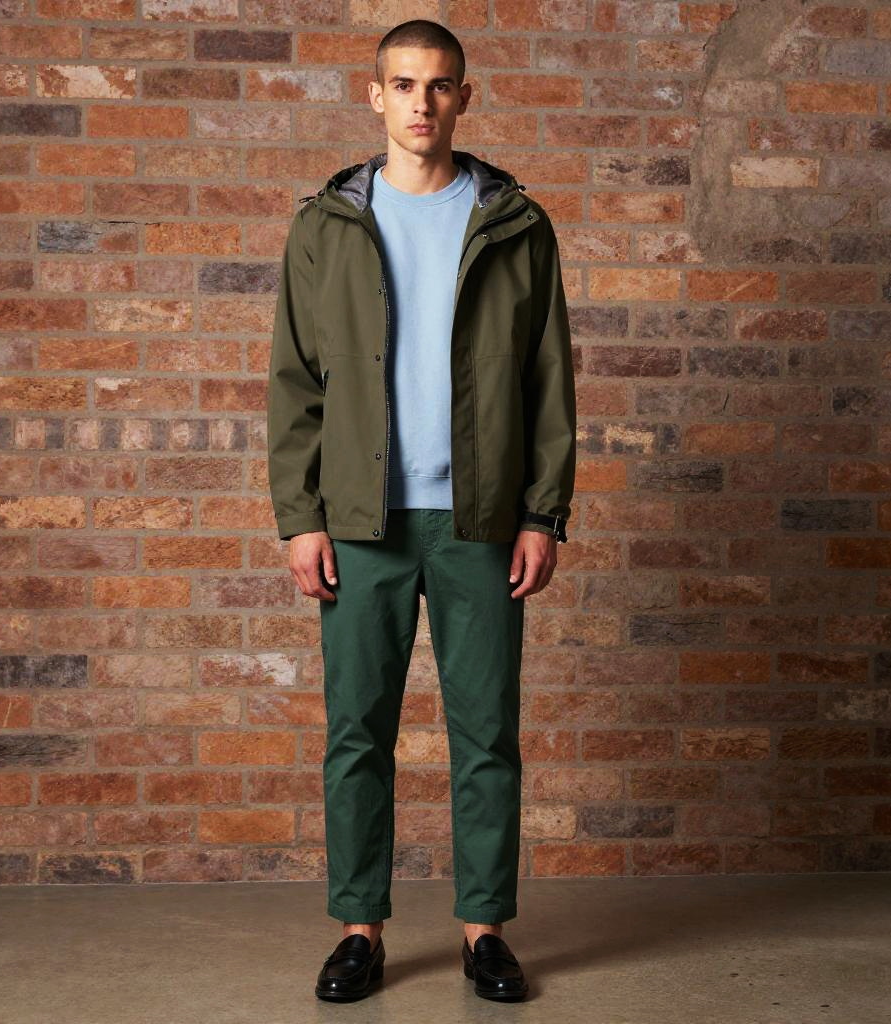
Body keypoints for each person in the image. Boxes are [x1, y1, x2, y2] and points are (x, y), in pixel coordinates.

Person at [266, 18, 576, 1003]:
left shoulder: (515, 224)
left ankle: (485, 930)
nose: (421, 103)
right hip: (363, 521)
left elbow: (548, 379)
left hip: (480, 519)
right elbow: (295, 383)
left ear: (464, 98)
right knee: (356, 730)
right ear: (375, 95)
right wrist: (300, 516)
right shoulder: (324, 227)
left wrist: (543, 514)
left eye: (439, 85)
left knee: (487, 732)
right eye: (403, 84)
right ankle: (359, 928)